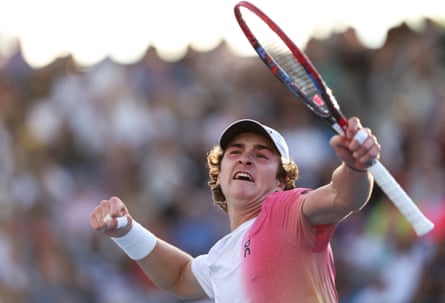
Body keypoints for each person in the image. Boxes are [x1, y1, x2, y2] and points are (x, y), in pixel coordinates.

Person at [90, 117, 381, 302]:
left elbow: (343, 198)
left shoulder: (285, 209)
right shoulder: (220, 255)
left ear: (282, 183)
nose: (245, 159)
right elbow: (179, 276)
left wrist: (355, 166)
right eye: (235, 152)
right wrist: (126, 230)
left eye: (261, 155)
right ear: (219, 175)